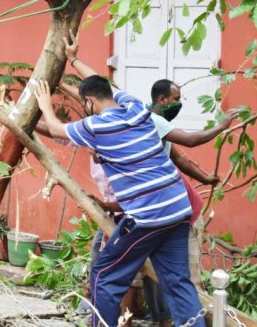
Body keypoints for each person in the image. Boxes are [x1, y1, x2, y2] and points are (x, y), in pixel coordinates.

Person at [34, 34, 206, 327]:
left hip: (147, 216)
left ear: (88, 103)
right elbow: (103, 83)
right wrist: (74, 59)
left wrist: (43, 103)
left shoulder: (98, 125)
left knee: (104, 276)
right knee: (179, 284)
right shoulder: (137, 107)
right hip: (178, 209)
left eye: (85, 103)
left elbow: (55, 129)